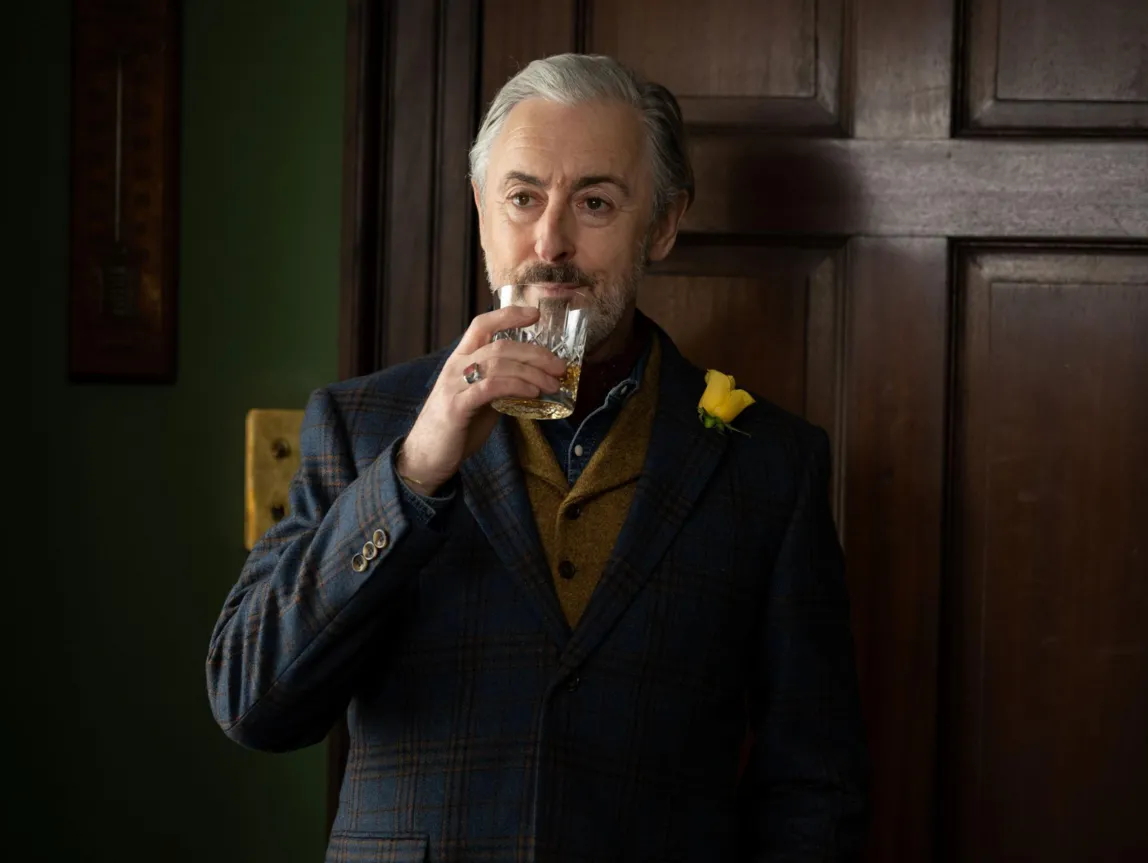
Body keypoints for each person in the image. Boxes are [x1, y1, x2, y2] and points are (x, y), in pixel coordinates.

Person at [206, 53, 868, 862]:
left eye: (595, 202)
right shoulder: (359, 425)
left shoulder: (775, 465)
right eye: (522, 198)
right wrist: (412, 473)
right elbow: (254, 704)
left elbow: (815, 785)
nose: (550, 241)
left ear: (663, 223)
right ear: (482, 210)